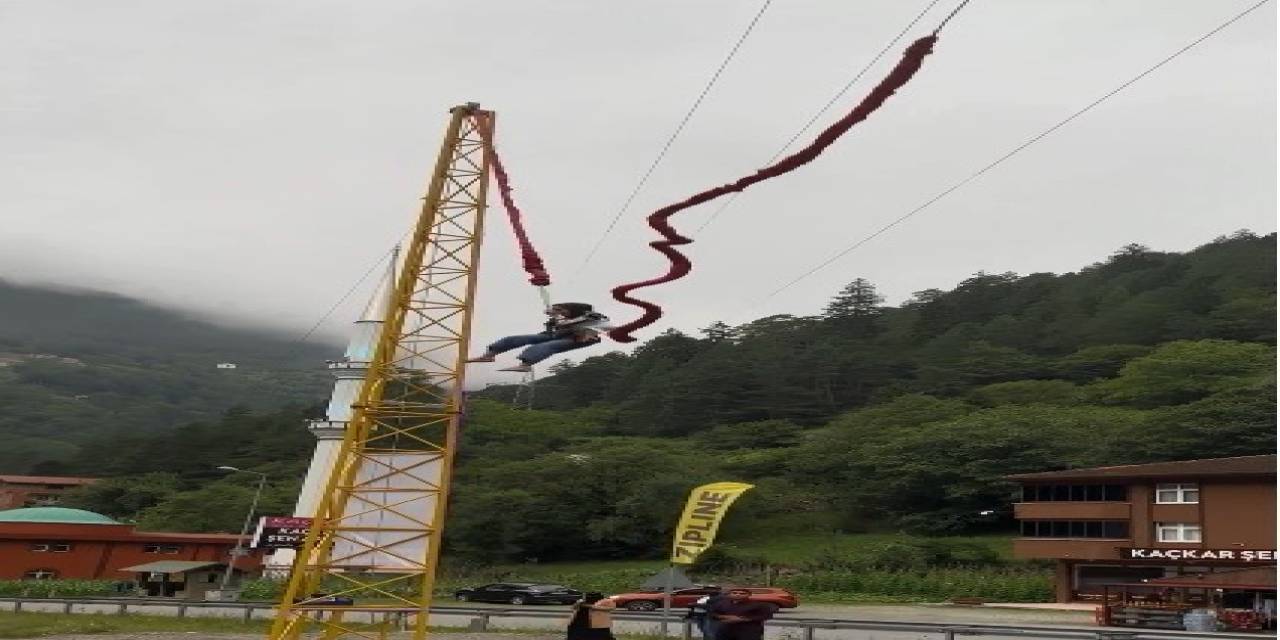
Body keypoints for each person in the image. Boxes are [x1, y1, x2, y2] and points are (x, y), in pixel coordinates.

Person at [467, 303, 611, 372]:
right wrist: (554, 315)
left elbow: (567, 323)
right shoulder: (564, 318)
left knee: (544, 347)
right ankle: (489, 355)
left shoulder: (591, 317)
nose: (561, 313)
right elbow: (559, 324)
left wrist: (556, 316)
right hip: (557, 334)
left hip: (581, 338)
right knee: (515, 339)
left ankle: (525, 365)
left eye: (563, 311)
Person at [709, 588, 775, 640]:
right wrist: (724, 617)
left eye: (742, 593)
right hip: (725, 631)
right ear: (729, 594)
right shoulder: (721, 603)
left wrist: (742, 619)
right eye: (734, 593)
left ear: (749, 595)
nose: (738, 594)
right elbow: (712, 614)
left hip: (748, 632)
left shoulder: (759, 605)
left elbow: (766, 616)